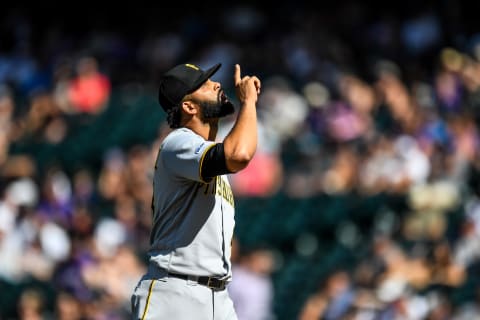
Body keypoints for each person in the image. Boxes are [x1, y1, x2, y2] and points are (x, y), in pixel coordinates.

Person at [130, 62, 261, 320]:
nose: (217, 84)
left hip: (218, 297)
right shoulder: (178, 142)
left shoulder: (205, 157)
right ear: (189, 106)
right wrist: (248, 103)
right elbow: (240, 154)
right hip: (175, 295)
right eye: (204, 85)